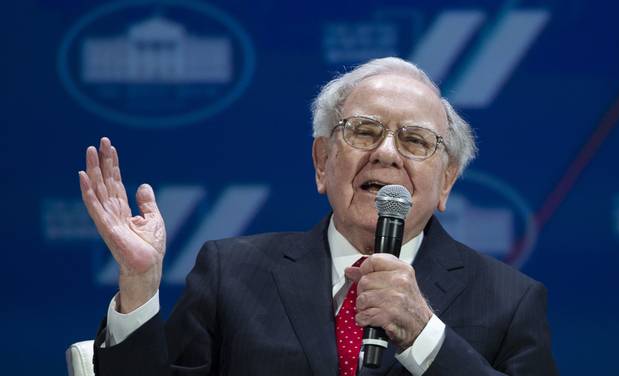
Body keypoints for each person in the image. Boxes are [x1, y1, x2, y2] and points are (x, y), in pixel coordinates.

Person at [79, 57, 557, 375]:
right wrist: (139, 286)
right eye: (365, 131)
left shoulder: (510, 301)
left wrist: (424, 335)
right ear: (321, 161)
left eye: (414, 141)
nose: (387, 154)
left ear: (447, 180)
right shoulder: (231, 275)